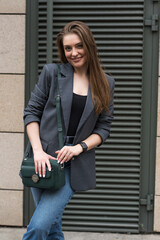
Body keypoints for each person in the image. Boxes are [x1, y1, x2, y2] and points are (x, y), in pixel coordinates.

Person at [22, 21, 115, 240]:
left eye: (79, 46)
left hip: (73, 162)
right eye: (68, 48)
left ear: (89, 46)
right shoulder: (52, 73)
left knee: (39, 226)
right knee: (52, 228)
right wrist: (37, 151)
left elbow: (103, 128)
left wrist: (78, 148)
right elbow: (31, 113)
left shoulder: (105, 83)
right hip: (43, 159)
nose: (74, 53)